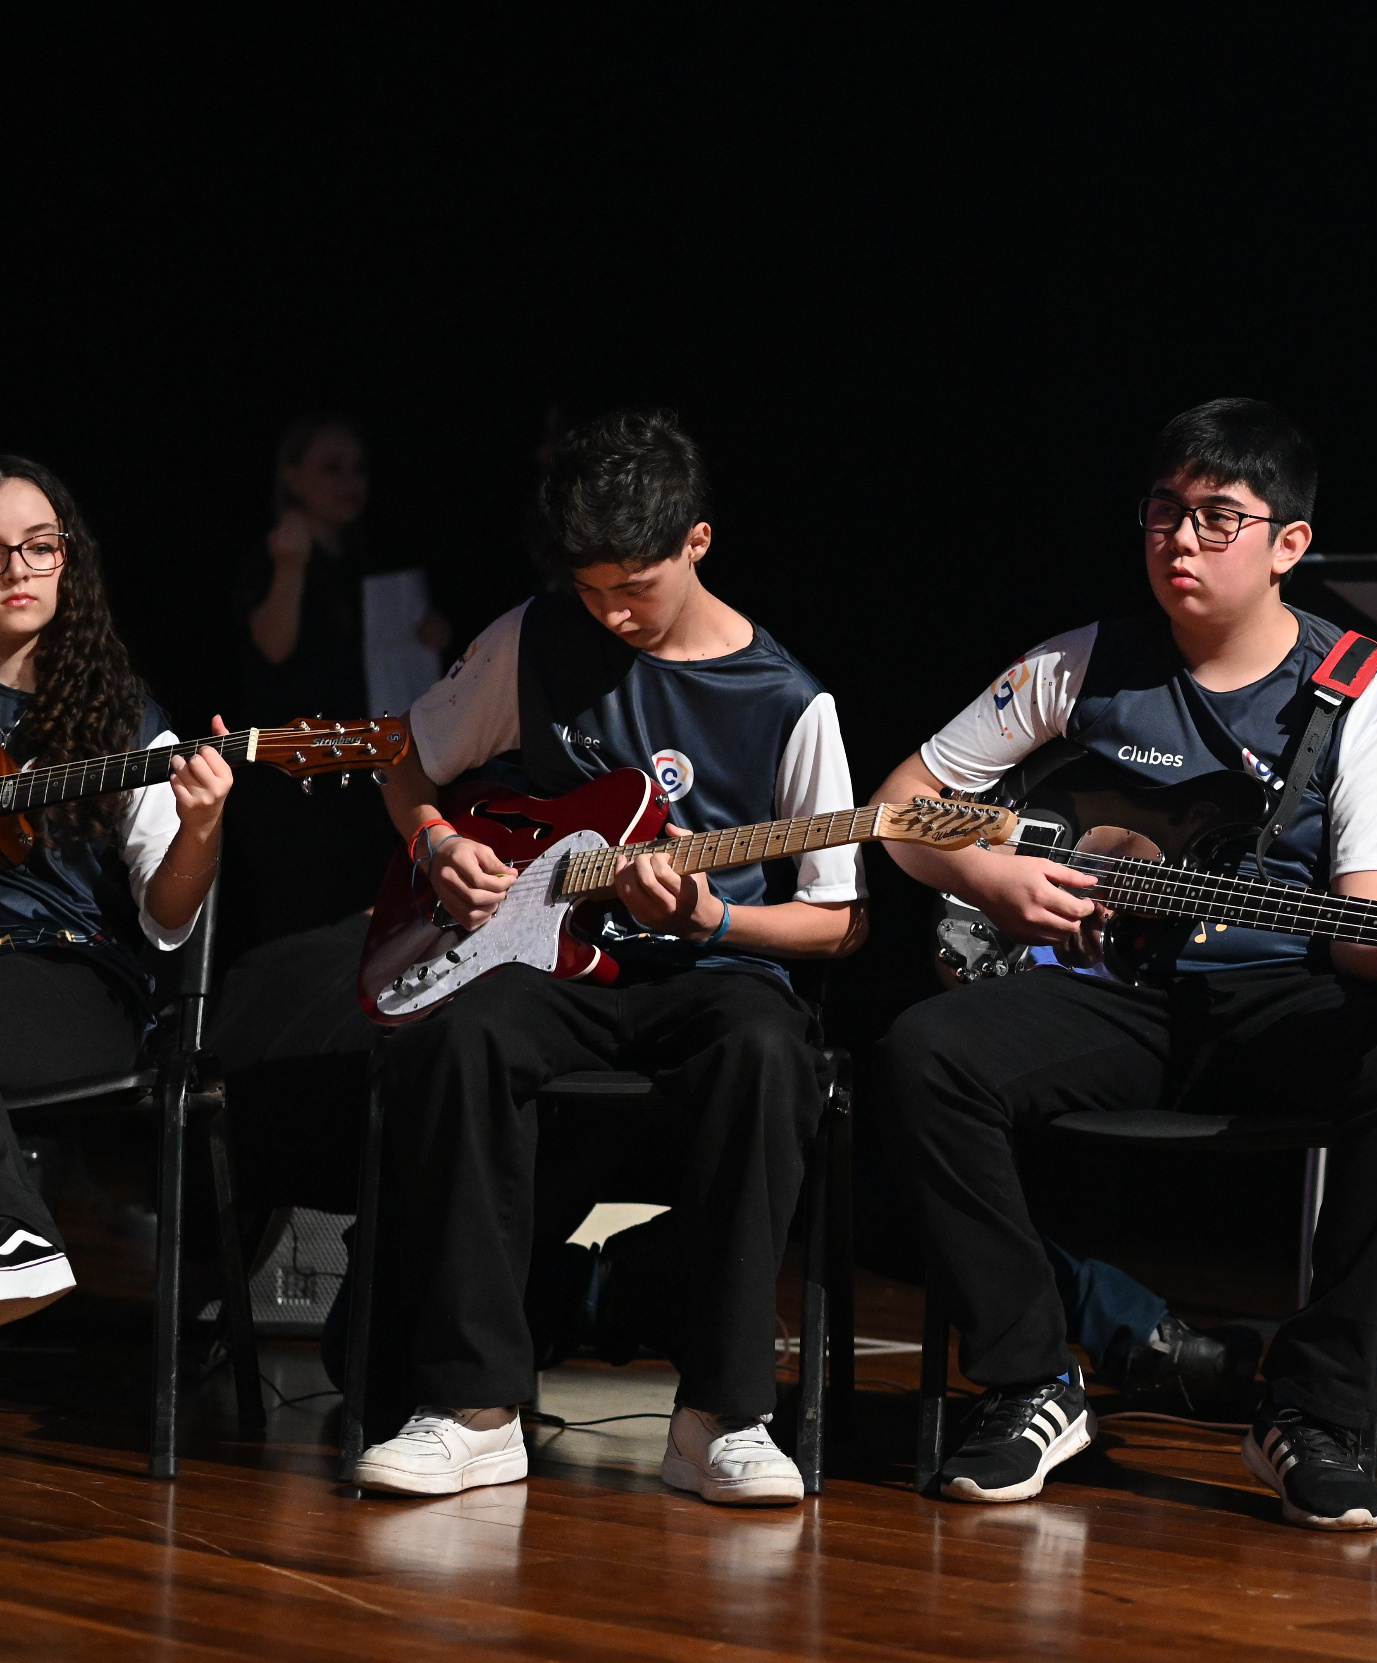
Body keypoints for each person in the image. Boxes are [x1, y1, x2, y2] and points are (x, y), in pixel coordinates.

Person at [874, 399, 1377, 1531]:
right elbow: (902, 804)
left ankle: (1313, 1412)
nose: (1181, 541)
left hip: (1284, 1001)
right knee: (925, 1052)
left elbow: (1366, 917)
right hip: (1113, 995)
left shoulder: (1368, 692)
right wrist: (992, 879)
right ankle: (1030, 1380)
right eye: (1164, 512)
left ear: (1288, 544)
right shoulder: (1083, 661)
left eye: (1218, 518)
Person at [353, 410, 866, 1506]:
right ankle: (474, 1409)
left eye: (634, 586)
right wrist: (435, 842)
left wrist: (713, 922)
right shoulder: (534, 637)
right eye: (591, 591)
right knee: (457, 1036)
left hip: (713, 976)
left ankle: (722, 1417)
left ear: (698, 541)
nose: (612, 613)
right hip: (553, 962)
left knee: (767, 1052)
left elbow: (838, 921)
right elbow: (406, 760)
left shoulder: (788, 700)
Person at [0, 457, 233, 1325]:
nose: (18, 569)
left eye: (39, 545)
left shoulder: (123, 719)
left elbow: (168, 918)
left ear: (69, 559)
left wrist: (202, 827)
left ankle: (15, 1242)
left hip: (73, 986)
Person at [229, 416, 447, 945]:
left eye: (358, 469)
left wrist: (429, 638)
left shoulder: (370, 557)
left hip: (366, 775)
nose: (350, 481)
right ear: (292, 475)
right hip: (299, 783)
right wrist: (290, 566)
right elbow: (273, 647)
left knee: (368, 927)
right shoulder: (271, 555)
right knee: (300, 930)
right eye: (331, 468)